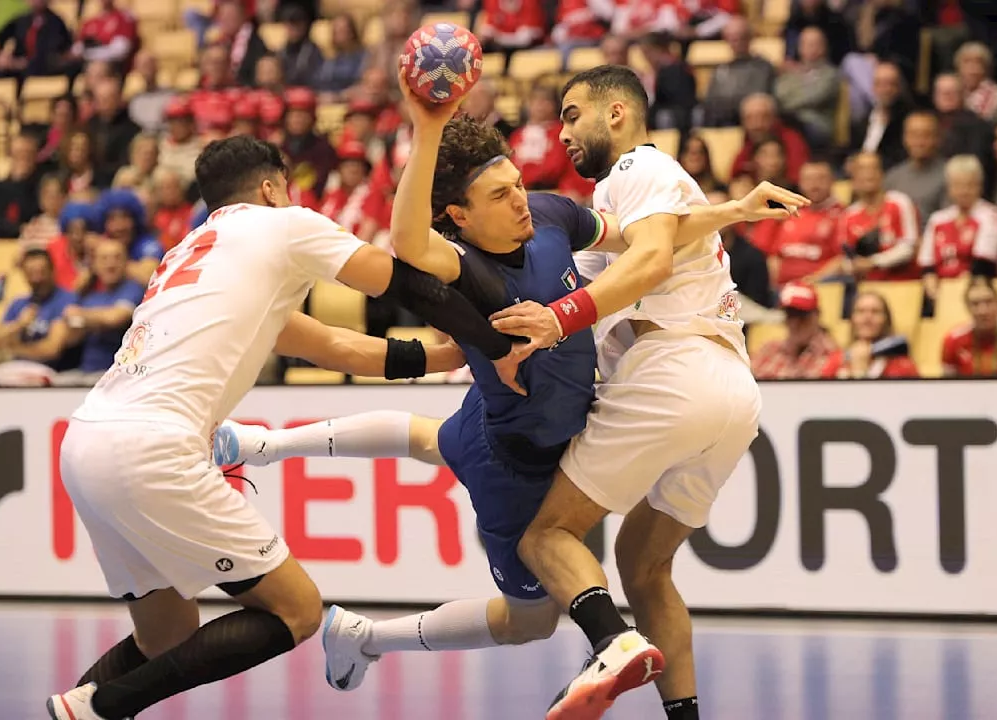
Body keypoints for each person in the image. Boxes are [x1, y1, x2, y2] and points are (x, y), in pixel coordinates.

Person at [214, 75, 684, 703]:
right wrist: (427, 127)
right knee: (532, 621)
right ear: (460, 216)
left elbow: (644, 232)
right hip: (515, 467)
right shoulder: (462, 265)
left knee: (428, 438)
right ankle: (374, 638)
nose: (520, 198)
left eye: (517, 182)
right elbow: (406, 238)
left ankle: (264, 448)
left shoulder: (549, 213)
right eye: (500, 193)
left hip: (501, 423)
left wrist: (721, 215)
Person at [44, 135, 529, 720]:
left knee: (165, 633)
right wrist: (492, 340)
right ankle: (99, 707)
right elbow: (399, 280)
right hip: (154, 446)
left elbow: (334, 344)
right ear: (272, 188)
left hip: (87, 440)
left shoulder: (192, 253)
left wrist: (449, 358)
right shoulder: (284, 225)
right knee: (297, 611)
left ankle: (77, 709)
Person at [487, 65, 808, 720]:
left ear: (616, 113)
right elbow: (668, 234)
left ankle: (612, 642)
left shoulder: (634, 165)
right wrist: (737, 209)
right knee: (643, 563)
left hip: (672, 370)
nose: (561, 131)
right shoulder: (635, 196)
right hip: (731, 394)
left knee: (545, 536)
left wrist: (560, 317)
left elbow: (654, 258)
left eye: (572, 114)